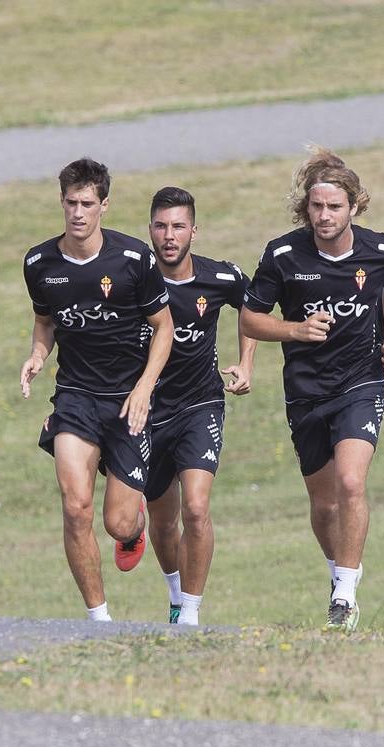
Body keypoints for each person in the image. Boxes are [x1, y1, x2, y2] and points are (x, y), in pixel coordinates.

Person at [241, 147, 384, 632]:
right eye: (317, 206)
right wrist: (294, 331)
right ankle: (342, 572)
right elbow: (251, 318)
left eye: (335, 207)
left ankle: (344, 593)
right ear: (305, 207)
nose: (324, 216)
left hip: (360, 384)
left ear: (354, 207)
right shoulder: (282, 254)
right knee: (323, 504)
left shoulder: (382, 251)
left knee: (352, 483)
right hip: (305, 391)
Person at [20, 158, 173, 622]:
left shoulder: (133, 260)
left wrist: (146, 388)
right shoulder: (40, 263)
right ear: (61, 203)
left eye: (88, 203)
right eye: (71, 202)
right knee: (75, 505)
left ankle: (132, 528)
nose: (78, 212)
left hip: (128, 400)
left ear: (104, 205)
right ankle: (98, 620)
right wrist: (37, 356)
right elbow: (45, 323)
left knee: (116, 522)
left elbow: (164, 328)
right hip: (76, 398)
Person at [143, 187, 257, 627]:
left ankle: (189, 612)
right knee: (162, 519)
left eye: (178, 226)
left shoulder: (219, 277)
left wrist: (246, 362)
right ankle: (174, 590)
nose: (169, 236)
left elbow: (253, 307)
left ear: (194, 230)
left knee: (195, 508)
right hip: (146, 412)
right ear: (150, 229)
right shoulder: (135, 277)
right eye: (160, 226)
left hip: (200, 404)